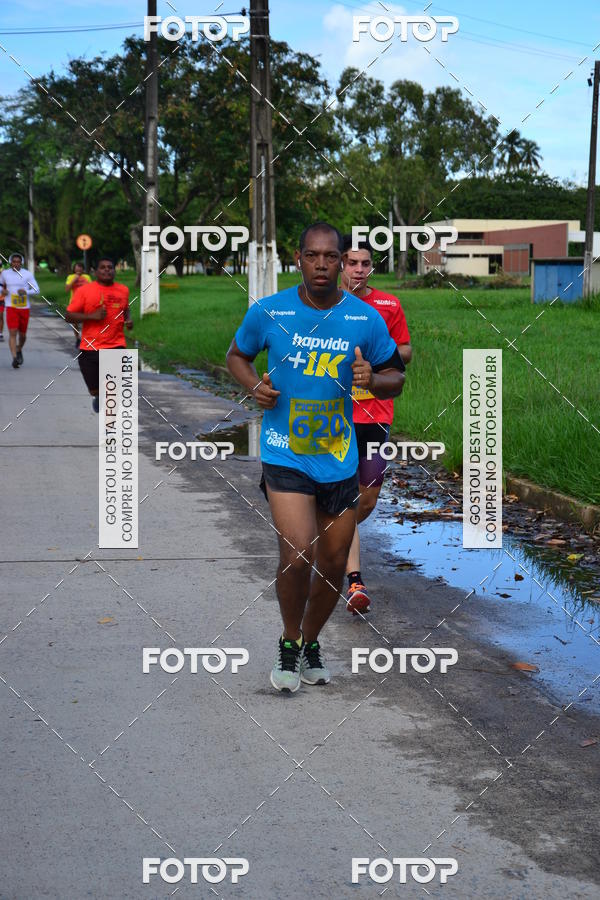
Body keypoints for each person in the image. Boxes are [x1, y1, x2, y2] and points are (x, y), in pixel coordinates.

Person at [226, 223, 405, 693]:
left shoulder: (364, 318)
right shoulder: (270, 310)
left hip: (339, 457)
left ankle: (310, 642)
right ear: (299, 258)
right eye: (312, 256)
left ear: (344, 261)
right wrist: (254, 386)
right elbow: (237, 356)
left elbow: (395, 377)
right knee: (298, 552)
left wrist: (372, 378)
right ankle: (288, 643)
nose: (322, 265)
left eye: (331, 257)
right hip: (285, 451)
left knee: (330, 562)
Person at [341, 235, 412, 614]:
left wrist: (377, 356)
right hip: (333, 415)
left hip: (377, 414)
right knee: (345, 495)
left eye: (364, 263)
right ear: (341, 266)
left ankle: (333, 535)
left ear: (372, 267)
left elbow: (405, 351)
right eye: (351, 262)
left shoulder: (388, 305)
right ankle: (355, 581)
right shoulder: (326, 305)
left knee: (366, 497)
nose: (358, 270)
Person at [65, 257, 133, 413]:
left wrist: (128, 320)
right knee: (95, 390)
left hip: (116, 345)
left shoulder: (123, 290)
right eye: (103, 267)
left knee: (113, 391)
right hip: (90, 348)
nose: (107, 270)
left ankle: (112, 431)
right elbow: (68, 316)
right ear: (96, 272)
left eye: (110, 267)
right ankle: (97, 396)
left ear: (115, 271)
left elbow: (125, 308)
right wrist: (91, 316)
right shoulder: (85, 291)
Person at [0, 253, 40, 368]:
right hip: (11, 306)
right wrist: (3, 292)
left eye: (18, 262)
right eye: (14, 262)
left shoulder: (27, 274)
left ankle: (19, 348)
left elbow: (37, 290)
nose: (16, 264)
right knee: (13, 332)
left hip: (24, 308)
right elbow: (0, 286)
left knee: (22, 335)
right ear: (10, 262)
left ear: (21, 263)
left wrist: (26, 292)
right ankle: (14, 358)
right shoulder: (5, 274)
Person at [65, 262, 91, 346]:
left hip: (85, 303)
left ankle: (85, 339)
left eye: (80, 268)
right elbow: (67, 289)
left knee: (85, 322)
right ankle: (77, 338)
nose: (79, 270)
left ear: (83, 269)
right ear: (74, 269)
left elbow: (92, 288)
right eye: (77, 268)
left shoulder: (87, 277)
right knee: (75, 323)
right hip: (74, 303)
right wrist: (74, 280)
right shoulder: (70, 277)